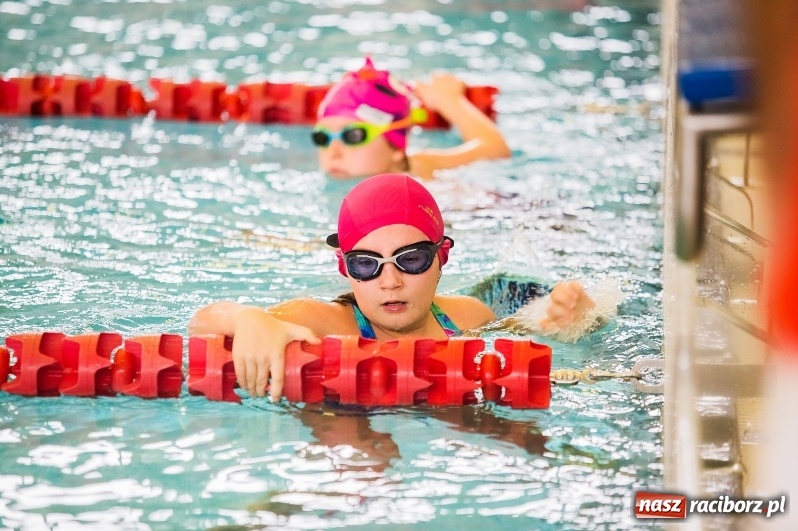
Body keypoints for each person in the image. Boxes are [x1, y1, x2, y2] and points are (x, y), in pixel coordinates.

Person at [189, 173, 599, 401]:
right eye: (366, 265)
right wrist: (249, 318)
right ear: (345, 268)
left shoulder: (466, 316)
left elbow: (528, 333)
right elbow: (202, 324)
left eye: (411, 259)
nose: (390, 281)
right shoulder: (326, 324)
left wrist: (569, 320)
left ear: (442, 258)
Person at [312, 57, 511, 180]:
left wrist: (450, 102)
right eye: (322, 137)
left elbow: (495, 149)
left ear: (397, 148)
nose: (333, 153)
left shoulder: (421, 169)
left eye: (353, 135)